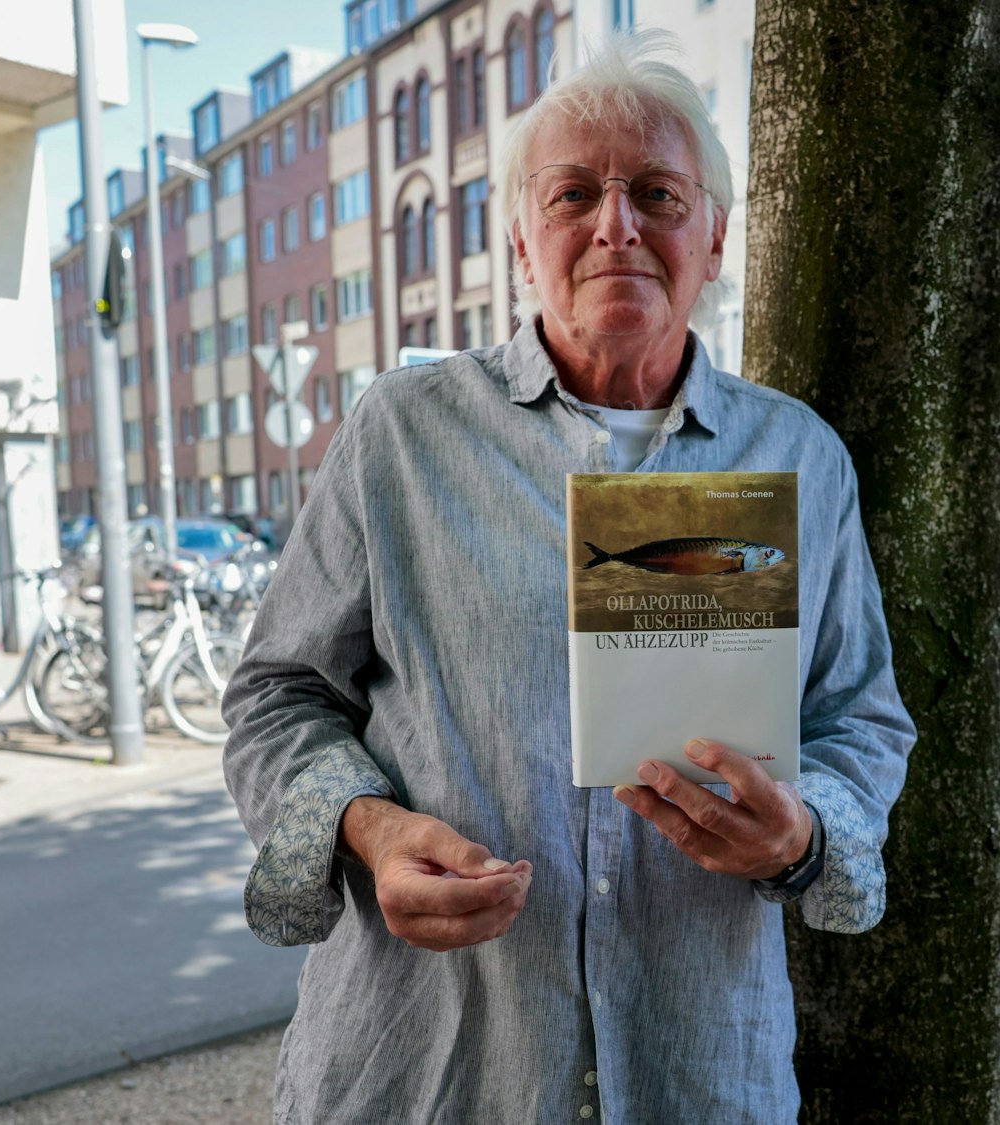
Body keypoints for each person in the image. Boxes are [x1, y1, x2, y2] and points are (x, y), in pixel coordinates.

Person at [220, 32, 915, 1124]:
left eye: (657, 193)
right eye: (572, 193)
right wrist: (372, 828)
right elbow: (275, 695)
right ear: (517, 238)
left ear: (716, 236)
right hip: (433, 1069)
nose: (615, 225)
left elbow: (859, 720)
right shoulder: (404, 435)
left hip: (695, 1064)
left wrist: (805, 833)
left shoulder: (796, 458)